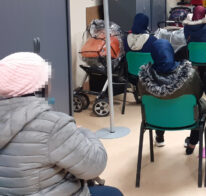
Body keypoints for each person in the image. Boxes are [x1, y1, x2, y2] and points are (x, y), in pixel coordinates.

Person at [0, 52, 122, 196]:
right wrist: (85, 132)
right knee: (113, 193)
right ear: (41, 86)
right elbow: (96, 165)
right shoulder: (53, 126)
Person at [138, 39, 206, 152]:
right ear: (171, 52)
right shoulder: (190, 74)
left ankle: (159, 138)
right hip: (187, 119)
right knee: (202, 105)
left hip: (155, 119)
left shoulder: (143, 77)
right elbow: (198, 94)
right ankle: (192, 144)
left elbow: (141, 95)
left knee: (155, 103)